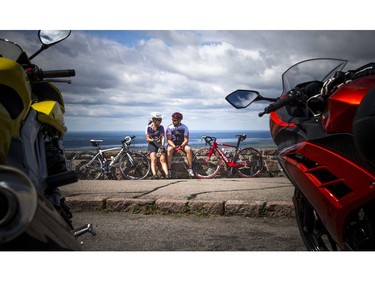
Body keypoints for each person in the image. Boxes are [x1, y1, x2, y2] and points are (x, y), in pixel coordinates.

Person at [166, 112, 194, 178]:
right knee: (169, 150)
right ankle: (169, 170)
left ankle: (190, 169)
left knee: (189, 149)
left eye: (175, 120)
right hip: (173, 144)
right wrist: (174, 147)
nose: (173, 121)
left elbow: (186, 139)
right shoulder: (169, 127)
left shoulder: (184, 127)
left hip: (182, 144)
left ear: (179, 120)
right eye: (172, 120)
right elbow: (169, 140)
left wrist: (181, 146)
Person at [145, 112, 169, 179]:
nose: (160, 121)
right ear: (154, 120)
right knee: (154, 159)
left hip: (160, 144)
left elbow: (163, 137)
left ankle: (167, 174)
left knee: (162, 159)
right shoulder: (148, 127)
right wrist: (154, 140)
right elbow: (147, 139)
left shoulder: (161, 127)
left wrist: (162, 146)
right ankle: (154, 174)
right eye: (159, 120)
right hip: (152, 144)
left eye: (161, 120)